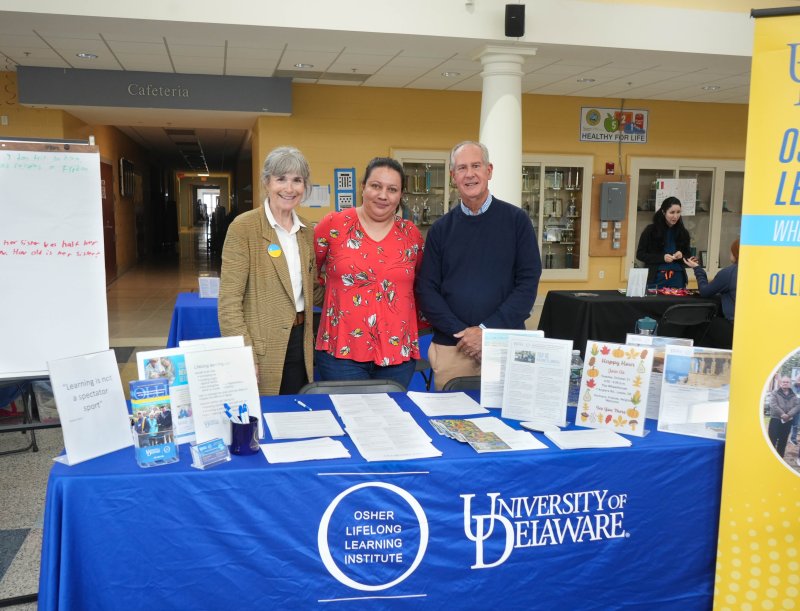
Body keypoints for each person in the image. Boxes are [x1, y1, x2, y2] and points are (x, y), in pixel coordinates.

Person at [416, 141, 542, 391]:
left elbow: (527, 284)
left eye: (476, 165)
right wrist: (465, 334)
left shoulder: (517, 221)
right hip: (454, 348)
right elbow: (427, 289)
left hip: (505, 344)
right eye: (462, 168)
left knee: (509, 426)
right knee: (450, 424)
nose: (470, 174)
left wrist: (485, 331)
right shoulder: (440, 230)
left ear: (489, 171)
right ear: (453, 176)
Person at [314, 157, 424, 388]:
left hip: (397, 354)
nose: (383, 195)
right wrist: (334, 299)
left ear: (401, 195)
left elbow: (421, 285)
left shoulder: (411, 234)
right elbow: (308, 274)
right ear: (363, 187)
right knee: (348, 419)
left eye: (392, 189)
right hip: (341, 353)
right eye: (376, 186)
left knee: (391, 420)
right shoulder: (334, 225)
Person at [218, 146, 318, 395]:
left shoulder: (307, 231)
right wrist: (244, 354)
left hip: (300, 343)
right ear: (266, 182)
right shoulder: (244, 228)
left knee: (294, 418)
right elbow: (229, 303)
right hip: (261, 348)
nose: (289, 188)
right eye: (281, 179)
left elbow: (311, 290)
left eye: (297, 180)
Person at [686, 238, 738, 349]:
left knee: (699, 323)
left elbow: (705, 291)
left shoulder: (729, 273)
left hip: (734, 328)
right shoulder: (756, 271)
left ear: (735, 254)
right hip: (752, 328)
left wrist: (697, 269)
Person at [636, 196, 691, 288]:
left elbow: (688, 256)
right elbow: (640, 254)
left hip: (678, 278)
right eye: (672, 212)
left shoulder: (683, 232)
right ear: (663, 212)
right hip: (656, 277)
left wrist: (682, 256)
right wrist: (662, 258)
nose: (675, 216)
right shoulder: (650, 230)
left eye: (678, 212)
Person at [766, 376, 799, 461]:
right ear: (780, 383)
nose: (785, 383)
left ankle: (780, 458)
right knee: (772, 439)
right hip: (776, 419)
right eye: (783, 382)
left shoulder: (794, 395)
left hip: (788, 420)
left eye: (787, 382)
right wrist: (782, 414)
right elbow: (773, 405)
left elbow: (797, 405)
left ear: (790, 384)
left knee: (783, 440)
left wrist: (788, 415)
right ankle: (770, 457)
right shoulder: (774, 393)